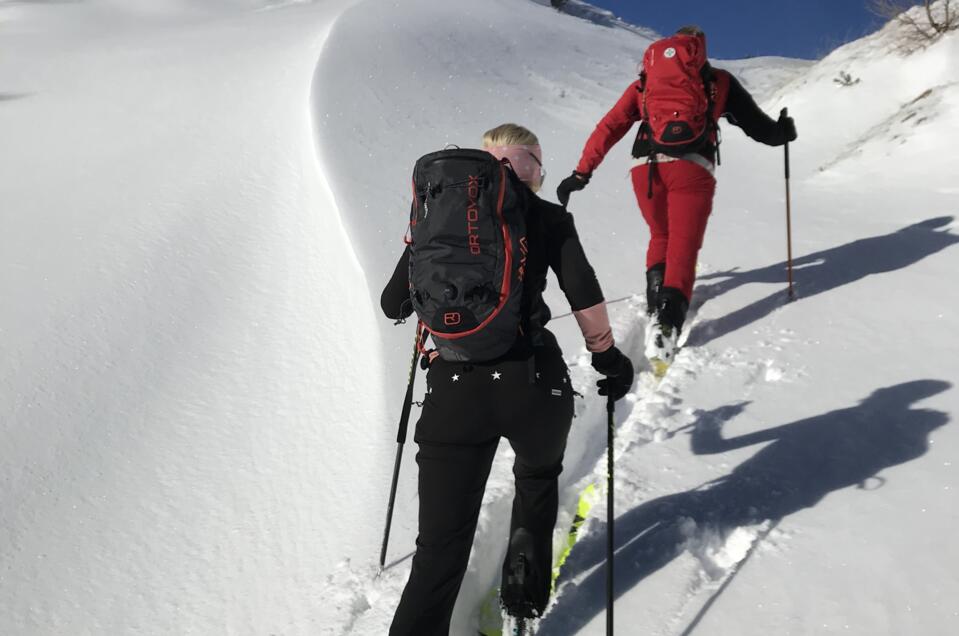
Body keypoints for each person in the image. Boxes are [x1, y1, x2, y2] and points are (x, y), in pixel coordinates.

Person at [382, 123, 635, 635]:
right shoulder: (549, 218)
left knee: (439, 551)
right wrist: (608, 359)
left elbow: (393, 303)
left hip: (454, 393)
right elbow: (583, 292)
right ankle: (524, 583)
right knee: (537, 478)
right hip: (535, 381)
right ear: (533, 170)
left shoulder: (439, 223)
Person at [556, 25, 798, 368]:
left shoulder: (645, 84)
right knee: (683, 244)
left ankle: (657, 302)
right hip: (692, 167)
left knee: (661, 235)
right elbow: (759, 128)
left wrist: (582, 172)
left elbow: (609, 126)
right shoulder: (719, 82)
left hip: (646, 169)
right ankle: (666, 326)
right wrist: (782, 131)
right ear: (699, 49)